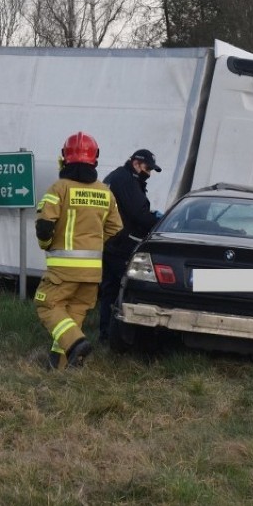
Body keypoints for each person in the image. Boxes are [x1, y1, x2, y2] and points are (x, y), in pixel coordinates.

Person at [34, 131, 123, 370]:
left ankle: (76, 344)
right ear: (95, 160)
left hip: (63, 270)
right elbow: (116, 230)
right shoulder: (105, 191)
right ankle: (60, 367)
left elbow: (44, 226)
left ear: (65, 158)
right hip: (92, 273)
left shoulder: (60, 188)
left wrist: (47, 246)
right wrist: (93, 243)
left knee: (47, 305)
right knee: (73, 315)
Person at [98, 149, 163, 344]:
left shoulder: (118, 176)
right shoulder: (125, 180)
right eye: (147, 168)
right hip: (121, 245)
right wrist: (160, 222)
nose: (149, 174)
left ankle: (106, 334)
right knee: (125, 290)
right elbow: (138, 215)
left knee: (109, 290)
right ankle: (120, 336)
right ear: (136, 164)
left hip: (111, 243)